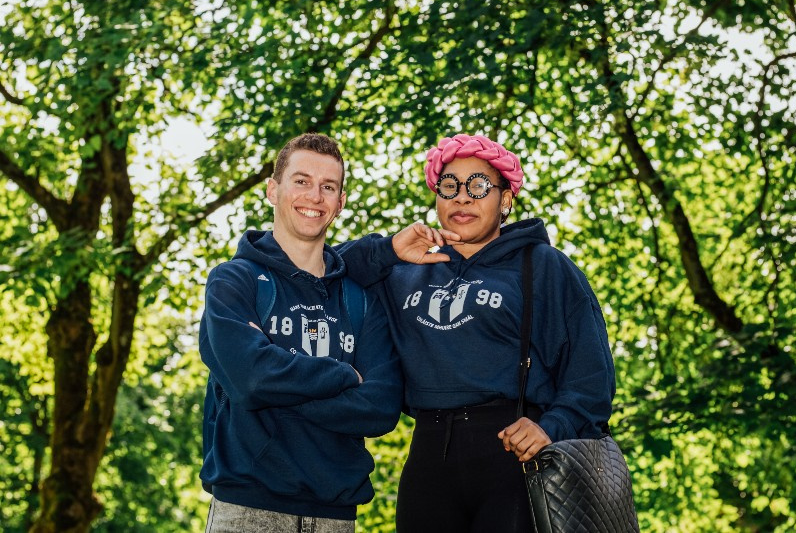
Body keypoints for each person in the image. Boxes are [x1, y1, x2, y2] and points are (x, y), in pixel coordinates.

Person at [339, 133, 616, 532]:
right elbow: (325, 270)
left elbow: (592, 376)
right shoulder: (406, 269)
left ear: (505, 200)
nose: (462, 198)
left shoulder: (544, 266)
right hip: (429, 455)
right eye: (449, 186)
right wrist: (388, 250)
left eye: (478, 186)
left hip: (514, 452)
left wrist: (550, 427)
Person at [199, 133, 403, 533]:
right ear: (273, 190)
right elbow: (253, 379)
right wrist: (344, 376)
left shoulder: (360, 299)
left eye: (329, 187)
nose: (315, 196)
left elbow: (381, 407)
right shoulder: (234, 281)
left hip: (336, 516)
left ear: (340, 203)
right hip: (247, 509)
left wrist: (276, 385)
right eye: (302, 181)